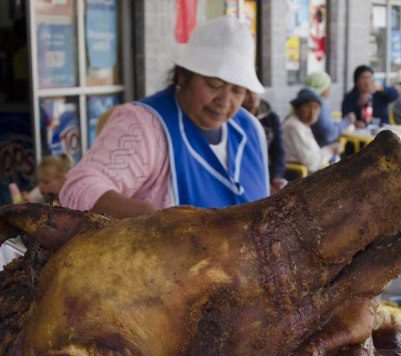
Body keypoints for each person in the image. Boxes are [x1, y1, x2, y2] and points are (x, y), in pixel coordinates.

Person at [60, 16, 268, 217]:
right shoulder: (143, 125)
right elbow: (77, 189)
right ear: (183, 75)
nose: (224, 101)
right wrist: (156, 221)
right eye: (214, 84)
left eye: (237, 90)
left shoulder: (250, 129)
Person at [242, 91, 287, 191]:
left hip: (269, 173)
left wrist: (277, 176)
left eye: (254, 91)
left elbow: (278, 151)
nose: (252, 96)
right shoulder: (234, 120)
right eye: (246, 92)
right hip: (246, 178)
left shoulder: (271, 118)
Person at [283, 88, 335, 174]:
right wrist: (330, 150)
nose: (312, 112)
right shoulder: (294, 126)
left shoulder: (303, 125)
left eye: (315, 107)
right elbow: (312, 163)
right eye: (307, 106)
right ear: (297, 108)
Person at [303, 71, 347, 148]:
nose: (329, 90)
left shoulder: (303, 103)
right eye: (327, 87)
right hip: (318, 152)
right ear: (322, 88)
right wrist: (347, 121)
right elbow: (329, 133)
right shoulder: (317, 105)